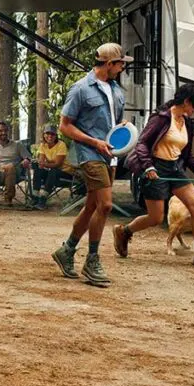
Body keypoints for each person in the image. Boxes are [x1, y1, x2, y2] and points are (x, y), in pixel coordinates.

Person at [112, 84, 194, 267]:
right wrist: (148, 167)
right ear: (186, 101)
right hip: (156, 168)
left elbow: (187, 155)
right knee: (155, 218)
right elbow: (142, 144)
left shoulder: (186, 122)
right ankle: (124, 232)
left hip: (175, 168)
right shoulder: (161, 118)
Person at [50, 42, 131, 287]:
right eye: (121, 63)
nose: (123, 67)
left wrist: (122, 128)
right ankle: (92, 259)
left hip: (110, 154)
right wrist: (94, 142)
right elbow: (65, 126)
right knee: (105, 205)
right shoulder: (81, 89)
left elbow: (113, 122)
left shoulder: (116, 90)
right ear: (109, 64)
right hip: (90, 153)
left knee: (91, 207)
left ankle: (67, 250)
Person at [30, 125, 69, 210]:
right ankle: (35, 197)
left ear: (56, 135)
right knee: (38, 168)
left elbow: (58, 164)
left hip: (65, 173)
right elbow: (41, 161)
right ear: (44, 134)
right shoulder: (43, 145)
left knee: (54, 170)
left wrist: (43, 164)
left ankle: (43, 199)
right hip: (51, 172)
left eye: (52, 134)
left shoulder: (61, 145)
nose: (50, 136)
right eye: (47, 133)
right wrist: (39, 164)